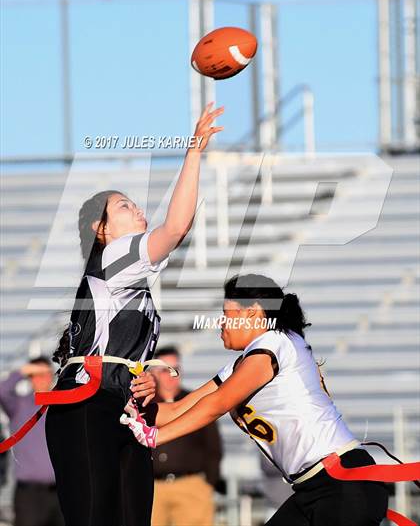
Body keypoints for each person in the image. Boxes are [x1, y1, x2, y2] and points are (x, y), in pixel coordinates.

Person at [45, 102, 224, 526]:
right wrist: (194, 152)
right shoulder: (112, 255)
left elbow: (115, 352)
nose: (138, 209)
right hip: (87, 407)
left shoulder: (129, 276)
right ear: (100, 229)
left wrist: (139, 377)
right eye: (124, 206)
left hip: (123, 410)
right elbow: (176, 228)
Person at [127, 274, 389, 526]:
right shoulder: (245, 361)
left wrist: (156, 437)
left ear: (251, 313)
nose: (221, 323)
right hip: (315, 488)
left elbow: (218, 404)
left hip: (342, 482)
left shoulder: (275, 343)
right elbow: (179, 408)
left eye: (227, 315)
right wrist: (132, 409)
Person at [151, 346, 222, 526]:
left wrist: (207, 484)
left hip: (191, 486)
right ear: (154, 374)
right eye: (165, 370)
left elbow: (213, 446)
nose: (172, 375)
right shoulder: (145, 405)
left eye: (176, 369)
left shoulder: (196, 402)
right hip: (152, 488)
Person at [0, 357, 64, 526]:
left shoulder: (61, 406)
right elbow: (2, 390)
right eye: (37, 374)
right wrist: (23, 371)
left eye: (46, 374)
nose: (43, 378)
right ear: (30, 377)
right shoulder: (19, 404)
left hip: (60, 493)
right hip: (29, 496)